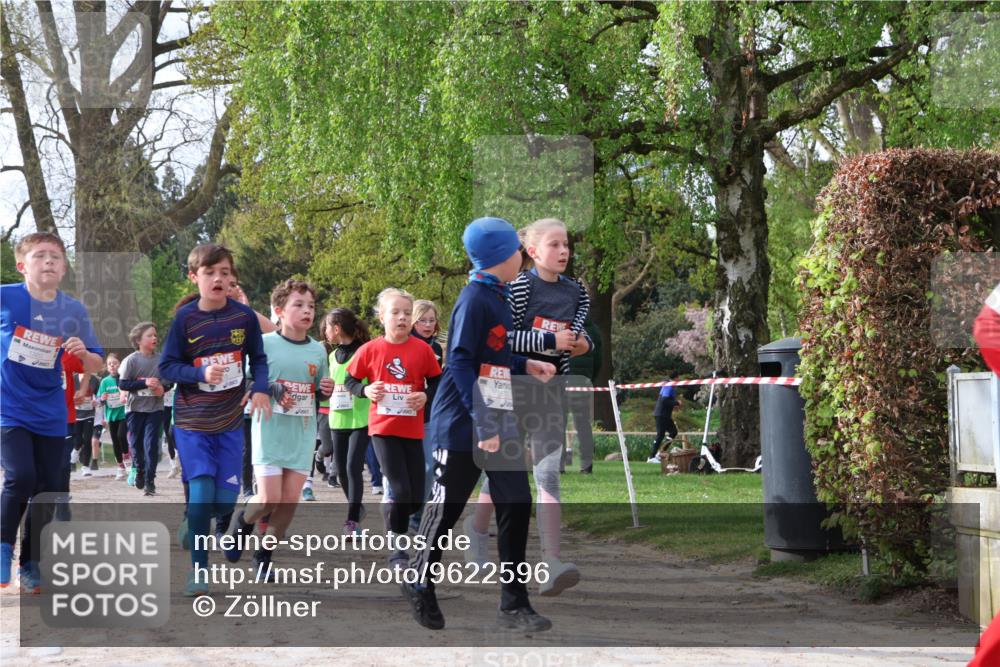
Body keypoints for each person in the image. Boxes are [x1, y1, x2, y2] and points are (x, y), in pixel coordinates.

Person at [404, 216, 556, 632]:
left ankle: (513, 603)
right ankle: (419, 580)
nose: (522, 256)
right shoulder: (474, 298)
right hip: (462, 424)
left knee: (516, 503)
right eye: (516, 251)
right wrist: (484, 423)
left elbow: (495, 355)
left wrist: (527, 364)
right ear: (498, 257)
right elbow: (459, 361)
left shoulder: (500, 297)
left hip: (496, 417)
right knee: (444, 511)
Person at [465, 217, 591, 596]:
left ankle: (551, 562)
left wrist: (582, 344)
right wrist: (550, 340)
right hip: (511, 388)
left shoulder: (577, 292)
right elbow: (504, 340)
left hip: (552, 391)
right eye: (554, 245)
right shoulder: (517, 288)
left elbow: (582, 335)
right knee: (504, 469)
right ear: (532, 252)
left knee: (548, 472)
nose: (564, 251)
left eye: (566, 243)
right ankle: (476, 529)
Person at [158, 243, 270, 596]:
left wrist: (261, 387)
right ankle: (199, 571)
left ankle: (192, 521)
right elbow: (167, 368)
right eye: (210, 273)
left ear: (233, 277)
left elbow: (259, 358)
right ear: (195, 278)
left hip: (230, 421)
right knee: (203, 490)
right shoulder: (185, 319)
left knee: (223, 502)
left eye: (224, 272)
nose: (218, 279)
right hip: (192, 422)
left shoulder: (244, 317)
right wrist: (201, 373)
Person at [1, 232, 104, 587]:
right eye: (40, 255)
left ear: (63, 269)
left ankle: (30, 563)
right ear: (22, 266)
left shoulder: (73, 309)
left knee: (47, 488)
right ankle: (2, 549)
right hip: (8, 408)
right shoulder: (5, 297)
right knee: (20, 476)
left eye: (55, 257)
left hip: (50, 411)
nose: (48, 261)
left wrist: (84, 354)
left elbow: (99, 361)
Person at [225, 279, 332, 578]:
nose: (306, 311)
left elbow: (320, 390)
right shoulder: (265, 344)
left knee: (289, 501)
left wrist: (325, 388)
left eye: (310, 306)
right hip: (269, 429)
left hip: (301, 433)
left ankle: (264, 555)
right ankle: (243, 522)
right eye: (298, 305)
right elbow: (246, 381)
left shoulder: (318, 350)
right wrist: (272, 388)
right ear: (279, 311)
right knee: (269, 498)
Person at [345, 288, 442, 568]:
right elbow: (350, 381)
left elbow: (437, 382)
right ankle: (397, 549)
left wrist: (425, 395)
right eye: (395, 312)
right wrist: (366, 390)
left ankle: (394, 515)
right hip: (383, 429)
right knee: (399, 490)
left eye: (406, 313)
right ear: (381, 317)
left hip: (413, 429)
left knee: (414, 497)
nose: (401, 318)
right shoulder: (371, 349)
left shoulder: (422, 350)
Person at [324, 308, 372, 533]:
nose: (324, 332)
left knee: (353, 466)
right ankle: (356, 505)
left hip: (360, 418)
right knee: (340, 469)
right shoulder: (332, 356)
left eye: (326, 327)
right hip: (337, 418)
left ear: (336, 329)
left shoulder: (364, 352)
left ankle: (352, 519)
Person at [119, 322, 171, 495]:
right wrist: (145, 383)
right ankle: (139, 470)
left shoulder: (161, 359)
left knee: (151, 445)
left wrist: (161, 388)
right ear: (138, 340)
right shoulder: (132, 360)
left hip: (155, 408)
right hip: (134, 409)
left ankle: (150, 481)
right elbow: (123, 384)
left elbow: (169, 381)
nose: (154, 338)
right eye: (150, 335)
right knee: (136, 444)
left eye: (155, 335)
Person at [566, 316, 601, 474]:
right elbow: (599, 359)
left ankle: (559, 465)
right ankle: (586, 466)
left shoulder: (565, 325)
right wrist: (590, 379)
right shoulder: (593, 329)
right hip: (583, 383)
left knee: (558, 423)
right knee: (583, 425)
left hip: (563, 379)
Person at [98, 353, 129, 480]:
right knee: (115, 441)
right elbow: (100, 400)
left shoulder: (124, 378)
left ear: (120, 365)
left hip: (124, 413)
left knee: (121, 435)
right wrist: (102, 398)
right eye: (110, 364)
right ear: (107, 366)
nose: (112, 366)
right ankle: (120, 467)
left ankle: (127, 459)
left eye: (115, 363)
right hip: (111, 415)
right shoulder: (105, 381)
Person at [648, 370, 682, 463]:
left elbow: (666, 401)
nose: (679, 380)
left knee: (673, 432)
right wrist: (676, 402)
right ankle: (652, 457)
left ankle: (660, 453)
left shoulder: (668, 385)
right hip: (661, 415)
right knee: (660, 435)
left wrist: (673, 406)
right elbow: (664, 401)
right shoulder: (669, 386)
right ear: (676, 378)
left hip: (664, 415)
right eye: (679, 378)